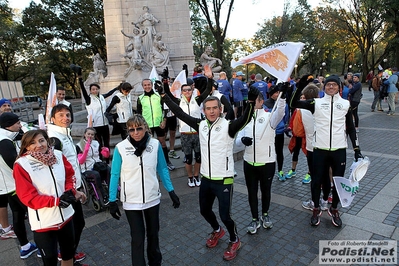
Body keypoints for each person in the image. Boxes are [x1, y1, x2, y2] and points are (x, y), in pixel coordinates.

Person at [161, 82, 259, 261]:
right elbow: (180, 113)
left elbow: (244, 119)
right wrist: (165, 97)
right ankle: (217, 230)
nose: (212, 111)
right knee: (204, 211)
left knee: (225, 215)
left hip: (224, 179)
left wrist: (251, 102)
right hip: (206, 178)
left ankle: (234, 239)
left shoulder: (228, 126)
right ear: (204, 111)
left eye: (215, 108)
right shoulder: (201, 125)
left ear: (221, 109)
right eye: (208, 109)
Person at [290, 74, 363, 227]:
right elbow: (294, 103)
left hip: (339, 149)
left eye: (334, 85)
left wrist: (356, 149)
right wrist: (299, 86)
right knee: (316, 181)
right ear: (324, 87)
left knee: (337, 182)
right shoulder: (315, 103)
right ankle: (316, 208)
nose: (331, 87)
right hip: (319, 149)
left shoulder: (345, 104)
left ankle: (334, 208)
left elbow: (350, 128)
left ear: (339, 87)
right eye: (328, 84)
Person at [108, 114, 180, 266]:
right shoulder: (121, 148)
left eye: (139, 129)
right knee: (138, 238)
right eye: (131, 130)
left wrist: (171, 191)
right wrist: (112, 199)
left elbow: (162, 168)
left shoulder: (155, 144)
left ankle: (155, 263)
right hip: (131, 200)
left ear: (146, 128)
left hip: (152, 197)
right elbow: (114, 174)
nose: (135, 133)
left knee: (153, 235)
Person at [13, 129, 86, 266]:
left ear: (47, 140)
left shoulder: (58, 155)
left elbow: (69, 175)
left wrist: (69, 191)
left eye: (41, 140)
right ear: (26, 146)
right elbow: (27, 197)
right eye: (32, 143)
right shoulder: (22, 165)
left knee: (68, 253)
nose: (39, 145)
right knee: (50, 259)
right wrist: (56, 201)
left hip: (66, 216)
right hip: (44, 223)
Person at [235, 88, 286, 235]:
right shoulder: (245, 119)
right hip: (249, 163)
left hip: (267, 163)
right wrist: (242, 141)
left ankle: (265, 215)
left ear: (261, 101)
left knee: (265, 191)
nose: (250, 103)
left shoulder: (270, 117)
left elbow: (281, 112)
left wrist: (283, 97)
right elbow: (237, 141)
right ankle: (254, 218)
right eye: (249, 101)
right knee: (252, 192)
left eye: (254, 101)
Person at [47, 104, 88, 264]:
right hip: (66, 191)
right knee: (74, 225)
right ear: (53, 119)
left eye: (67, 115)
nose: (65, 118)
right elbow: (55, 168)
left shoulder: (65, 134)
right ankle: (66, 255)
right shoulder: (55, 138)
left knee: (75, 225)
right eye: (61, 116)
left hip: (72, 187)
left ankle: (68, 253)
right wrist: (69, 190)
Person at [161, 74, 212, 187]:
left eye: (189, 89)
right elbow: (168, 96)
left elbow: (208, 90)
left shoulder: (197, 100)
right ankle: (190, 177)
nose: (187, 92)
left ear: (192, 89)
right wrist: (165, 83)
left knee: (198, 157)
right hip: (185, 134)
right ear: (182, 92)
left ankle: (196, 175)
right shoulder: (179, 102)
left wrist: (210, 78)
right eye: (185, 90)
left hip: (197, 133)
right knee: (188, 159)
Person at [0, 113, 39, 260]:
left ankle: (25, 247)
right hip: (15, 186)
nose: (19, 125)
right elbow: (14, 163)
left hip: (6, 186)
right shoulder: (4, 141)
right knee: (34, 216)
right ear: (9, 126)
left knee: (17, 216)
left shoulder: (4, 137)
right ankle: (42, 247)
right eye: (17, 123)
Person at [77, 67, 117, 162]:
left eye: (96, 89)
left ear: (98, 89)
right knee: (98, 144)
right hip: (95, 125)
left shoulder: (102, 97)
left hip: (105, 124)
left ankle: (107, 160)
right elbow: (83, 89)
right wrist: (80, 79)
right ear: (90, 91)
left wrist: (117, 88)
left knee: (106, 143)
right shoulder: (89, 99)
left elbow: (109, 93)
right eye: (92, 89)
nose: (94, 91)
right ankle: (99, 160)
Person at [137, 78, 175, 170]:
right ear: (143, 86)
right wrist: (142, 126)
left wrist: (164, 120)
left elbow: (164, 109)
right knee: (148, 144)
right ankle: (150, 164)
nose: (147, 86)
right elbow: (138, 114)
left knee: (162, 143)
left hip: (159, 124)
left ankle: (167, 162)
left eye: (149, 84)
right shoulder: (140, 98)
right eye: (145, 85)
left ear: (151, 85)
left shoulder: (159, 96)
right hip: (147, 126)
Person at [76, 127, 110, 206]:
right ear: (85, 134)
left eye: (92, 134)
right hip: (86, 169)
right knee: (96, 175)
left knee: (108, 169)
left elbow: (103, 155)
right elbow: (80, 161)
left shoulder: (96, 143)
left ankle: (111, 192)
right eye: (88, 134)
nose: (90, 136)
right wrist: (86, 151)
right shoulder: (79, 146)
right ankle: (103, 197)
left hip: (97, 165)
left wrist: (106, 153)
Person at [264, 85, 290, 181]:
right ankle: (267, 171)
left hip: (279, 132)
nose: (278, 94)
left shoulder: (283, 104)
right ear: (271, 94)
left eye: (279, 92)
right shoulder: (265, 104)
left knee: (279, 152)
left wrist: (284, 127)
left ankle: (280, 170)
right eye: (276, 93)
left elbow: (286, 116)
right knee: (268, 152)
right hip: (269, 133)